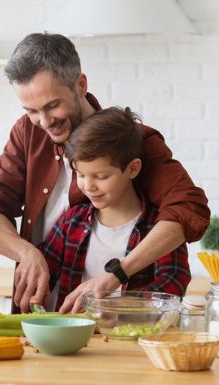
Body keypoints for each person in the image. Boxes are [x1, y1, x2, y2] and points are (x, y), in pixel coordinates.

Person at [0, 33, 210, 313]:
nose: (44, 122)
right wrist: (26, 253)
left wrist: (116, 276)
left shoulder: (132, 141)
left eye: (52, 106)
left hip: (119, 324)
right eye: (31, 110)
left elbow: (188, 208)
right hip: (47, 316)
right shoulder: (27, 132)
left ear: (80, 85)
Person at [40, 107, 191, 313]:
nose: (88, 186)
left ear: (132, 169)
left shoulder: (158, 227)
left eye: (101, 177)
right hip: (72, 339)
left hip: (132, 339)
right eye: (80, 174)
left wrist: (112, 305)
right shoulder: (71, 222)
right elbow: (43, 274)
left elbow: (173, 284)